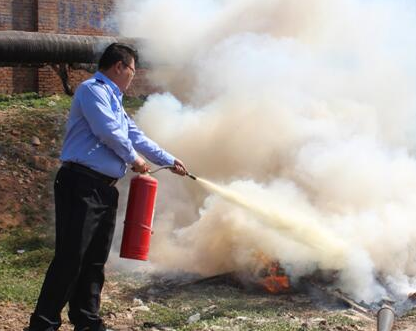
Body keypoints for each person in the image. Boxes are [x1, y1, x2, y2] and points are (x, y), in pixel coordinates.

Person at [28, 43, 188, 331]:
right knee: (71, 256)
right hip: (81, 184)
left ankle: (87, 320)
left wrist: (169, 159)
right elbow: (108, 131)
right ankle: (43, 323)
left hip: (103, 189)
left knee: (94, 260)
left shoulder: (115, 101)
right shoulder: (92, 91)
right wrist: (135, 160)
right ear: (119, 66)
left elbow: (135, 136)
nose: (132, 78)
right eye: (132, 71)